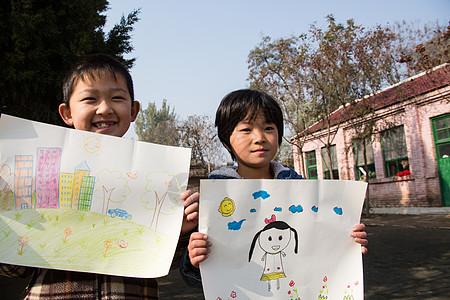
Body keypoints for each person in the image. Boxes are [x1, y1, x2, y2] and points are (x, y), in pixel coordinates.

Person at [0, 54, 199, 299]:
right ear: (66, 113)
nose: (104, 108)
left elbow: (158, 267)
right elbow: (13, 268)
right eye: (89, 99)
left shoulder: (155, 181)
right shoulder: (39, 177)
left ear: (134, 110)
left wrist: (176, 231)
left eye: (117, 98)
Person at [179, 88, 368, 287]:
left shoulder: (301, 190)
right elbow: (193, 277)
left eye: (269, 128)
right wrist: (195, 262)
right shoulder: (214, 200)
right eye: (246, 129)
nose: (260, 137)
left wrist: (348, 240)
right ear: (227, 141)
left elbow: (318, 247)